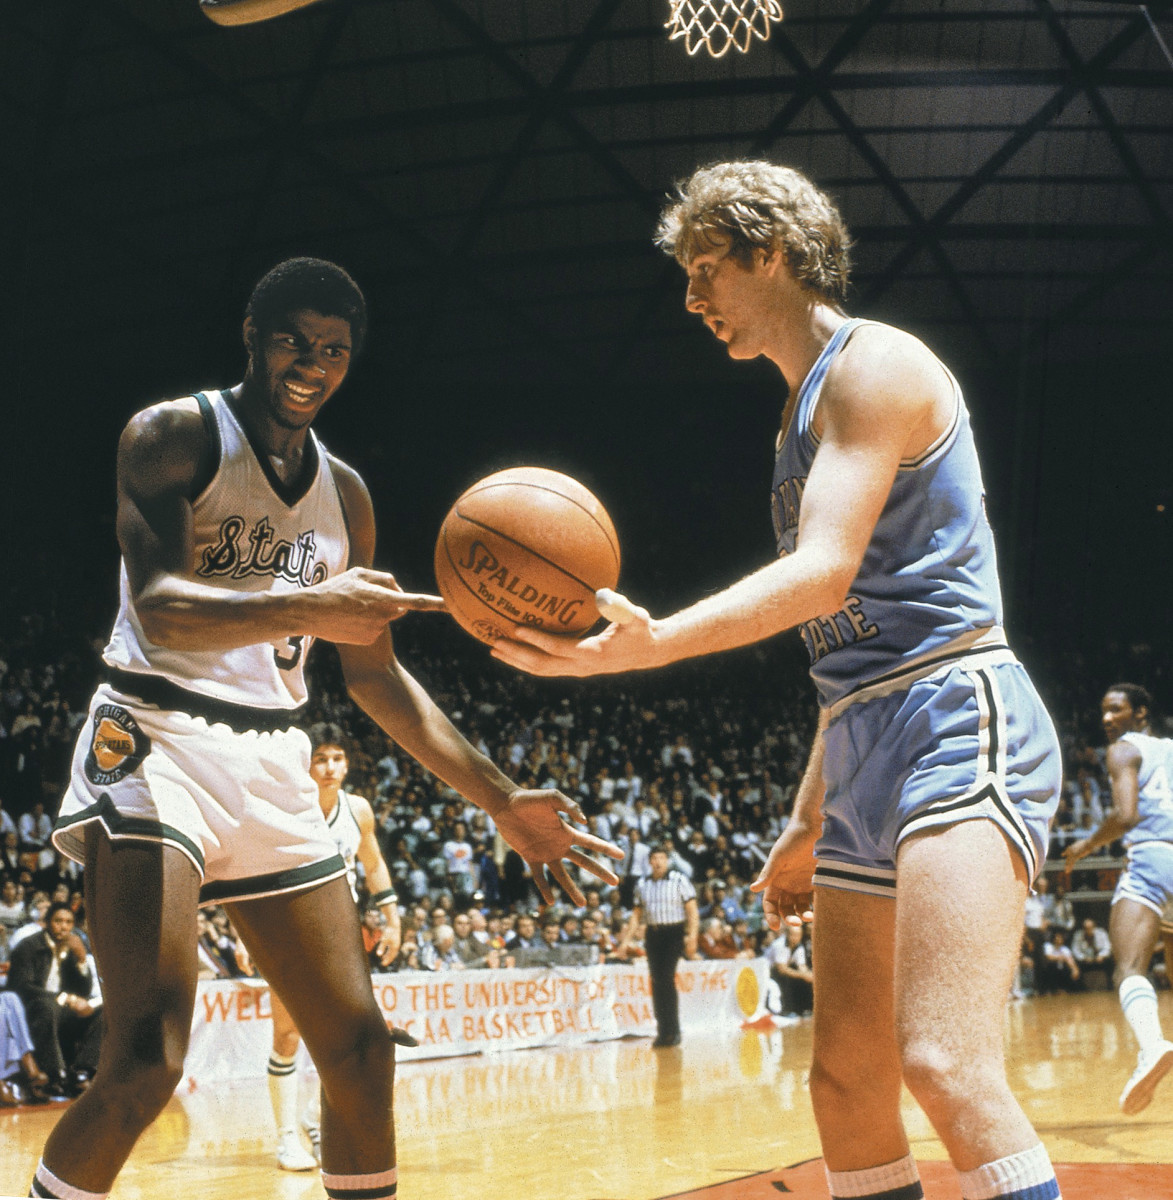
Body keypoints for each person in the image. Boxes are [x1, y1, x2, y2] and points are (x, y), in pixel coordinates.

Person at [494, 162, 1063, 1200]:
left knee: (943, 1061)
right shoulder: (797, 417)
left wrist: (657, 642)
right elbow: (839, 648)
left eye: (706, 268)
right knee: (843, 1080)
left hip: (954, 713)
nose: (691, 298)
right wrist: (808, 817)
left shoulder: (874, 366)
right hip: (861, 736)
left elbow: (823, 574)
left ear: (773, 253)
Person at [35, 257, 622, 1200]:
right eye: (293, 342)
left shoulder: (345, 496)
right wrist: (312, 602)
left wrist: (502, 799)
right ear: (251, 336)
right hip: (155, 740)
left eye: (334, 351)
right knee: (146, 1059)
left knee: (358, 1051)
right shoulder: (173, 435)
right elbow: (160, 610)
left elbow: (374, 675)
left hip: (273, 753)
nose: (312, 364)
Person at [266, 721, 404, 1171]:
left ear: (347, 764)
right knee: (287, 1035)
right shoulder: (286, 808)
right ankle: (287, 1139)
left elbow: (374, 865)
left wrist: (393, 920)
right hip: (289, 929)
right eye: (320, 759)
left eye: (337, 758)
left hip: (341, 935)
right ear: (305, 765)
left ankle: (314, 1121)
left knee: (354, 1036)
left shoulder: (358, 809)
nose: (329, 767)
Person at [1064, 682, 1173, 1115]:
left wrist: (1086, 845)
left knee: (1129, 968)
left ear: (1140, 713)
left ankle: (1152, 1047)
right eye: (1104, 711)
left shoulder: (1124, 750)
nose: (1107, 719)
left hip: (1151, 858)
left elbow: (1126, 816)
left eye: (1116, 710)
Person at [7, 902, 102, 1099]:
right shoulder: (28, 947)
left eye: (68, 922)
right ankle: (55, 1074)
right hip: (32, 1008)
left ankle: (82, 1070)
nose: (63, 927)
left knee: (102, 1011)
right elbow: (22, 986)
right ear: (47, 923)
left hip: (61, 1008)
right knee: (47, 1007)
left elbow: (83, 990)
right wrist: (66, 998)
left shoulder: (73, 945)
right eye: (58, 921)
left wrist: (81, 960)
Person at [619, 844, 698, 1047]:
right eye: (654, 858)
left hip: (674, 933)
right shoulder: (642, 884)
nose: (658, 862)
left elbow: (692, 911)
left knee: (666, 979)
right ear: (649, 862)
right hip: (653, 934)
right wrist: (625, 941)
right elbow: (636, 916)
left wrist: (692, 936)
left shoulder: (679, 880)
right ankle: (663, 1031)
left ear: (667, 860)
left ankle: (674, 1030)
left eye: (662, 858)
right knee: (656, 981)